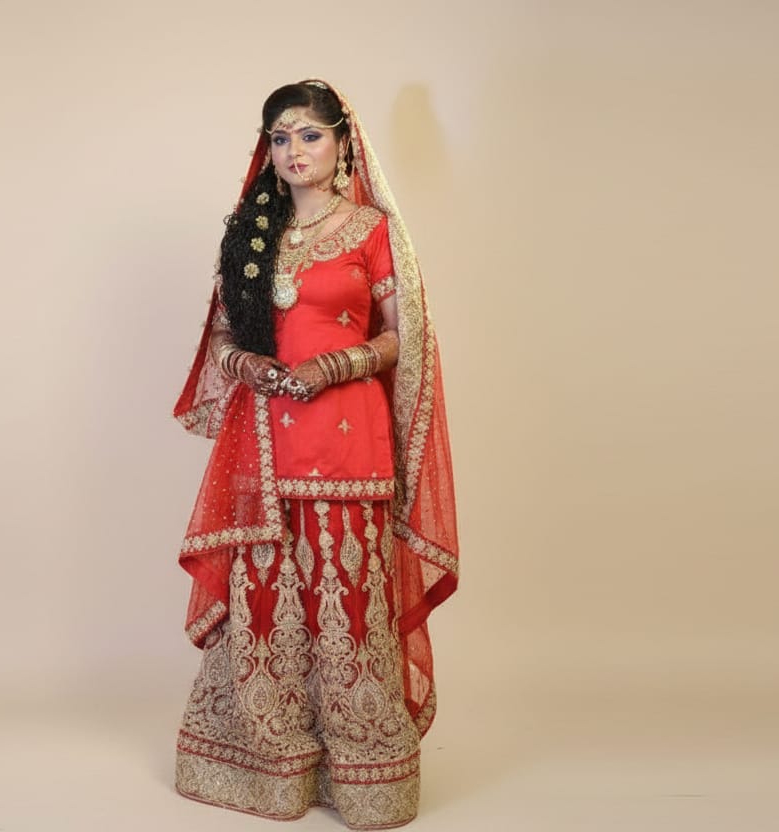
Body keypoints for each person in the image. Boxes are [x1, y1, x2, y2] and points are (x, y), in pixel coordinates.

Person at [171, 79, 459, 830]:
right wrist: (250, 369)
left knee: (348, 598)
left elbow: (406, 340)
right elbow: (224, 339)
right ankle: (272, 767)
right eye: (279, 138)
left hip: (348, 440)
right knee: (265, 601)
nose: (293, 151)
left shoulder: (370, 229)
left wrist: (337, 366)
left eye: (308, 135)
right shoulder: (252, 235)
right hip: (263, 443)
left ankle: (365, 776)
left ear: (342, 143)